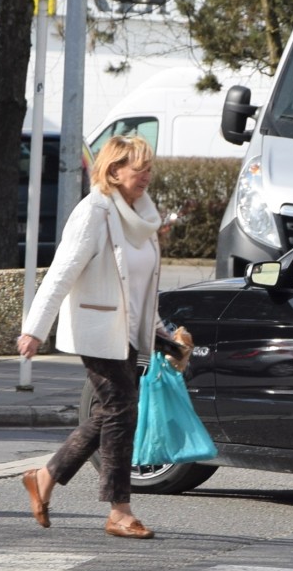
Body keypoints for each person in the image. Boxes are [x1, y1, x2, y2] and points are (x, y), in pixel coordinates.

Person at [16, 134, 174, 540]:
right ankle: (119, 509)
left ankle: (45, 477)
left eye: (149, 168)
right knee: (123, 408)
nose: (147, 176)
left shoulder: (144, 216)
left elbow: (143, 284)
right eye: (139, 168)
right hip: (97, 330)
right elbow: (61, 272)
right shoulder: (94, 212)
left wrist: (162, 333)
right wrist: (35, 329)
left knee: (110, 411)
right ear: (113, 170)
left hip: (130, 333)